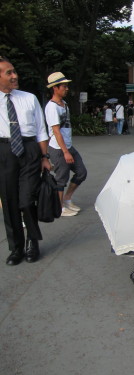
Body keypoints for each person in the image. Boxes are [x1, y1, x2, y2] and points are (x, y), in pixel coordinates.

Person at [0, 56, 50, 265]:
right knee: (10, 202)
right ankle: (16, 248)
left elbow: (41, 129)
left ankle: (33, 241)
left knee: (27, 200)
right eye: (8, 73)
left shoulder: (29, 98)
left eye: (14, 71)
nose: (15, 76)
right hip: (4, 151)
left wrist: (45, 157)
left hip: (29, 150)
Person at [45, 72, 87, 217]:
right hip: (58, 148)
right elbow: (56, 132)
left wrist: (68, 149)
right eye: (64, 86)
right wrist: (65, 152)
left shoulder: (64, 104)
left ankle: (67, 199)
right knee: (61, 179)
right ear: (55, 88)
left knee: (81, 173)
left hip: (68, 146)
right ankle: (60, 207)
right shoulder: (51, 107)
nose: (67, 88)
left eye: (67, 86)